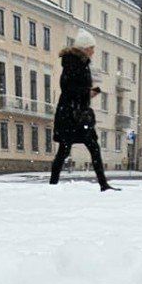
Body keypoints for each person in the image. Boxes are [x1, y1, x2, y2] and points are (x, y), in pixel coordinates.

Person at [50, 30, 116, 191]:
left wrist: (87, 94)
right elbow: (69, 89)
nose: (93, 51)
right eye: (92, 48)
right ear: (85, 48)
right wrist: (88, 93)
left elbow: (74, 90)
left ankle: (103, 184)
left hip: (75, 114)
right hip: (72, 115)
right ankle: (102, 184)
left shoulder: (79, 64)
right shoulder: (73, 64)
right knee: (67, 151)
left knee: (79, 149)